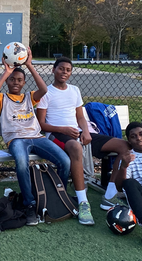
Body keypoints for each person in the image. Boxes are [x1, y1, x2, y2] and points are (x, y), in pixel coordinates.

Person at [36, 57, 132, 222]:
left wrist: (86, 131)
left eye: (68, 70)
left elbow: (80, 117)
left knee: (124, 146)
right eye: (61, 69)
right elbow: (41, 125)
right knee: (76, 147)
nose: (64, 72)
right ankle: (83, 203)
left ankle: (109, 196)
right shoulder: (46, 92)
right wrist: (63, 129)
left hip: (79, 132)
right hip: (56, 134)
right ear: (53, 70)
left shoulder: (74, 90)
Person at [0, 50, 72, 226]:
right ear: (8, 81)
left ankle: (57, 195)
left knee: (65, 161)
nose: (15, 82)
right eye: (12, 79)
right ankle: (30, 204)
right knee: (22, 163)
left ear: (24, 83)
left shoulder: (29, 98)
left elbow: (44, 89)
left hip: (37, 137)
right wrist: (6, 72)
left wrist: (29, 65)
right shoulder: (2, 99)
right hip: (17, 140)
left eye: (19, 80)